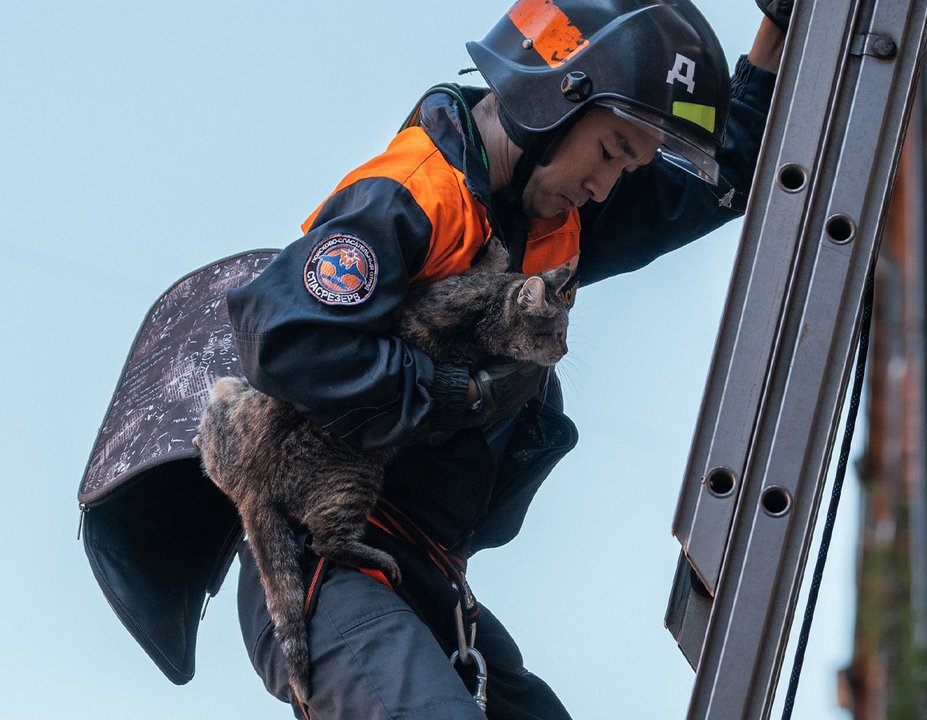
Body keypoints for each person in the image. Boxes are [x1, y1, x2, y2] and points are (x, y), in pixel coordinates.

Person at [226, 0, 786, 717]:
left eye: (630, 165)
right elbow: (286, 337)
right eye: (613, 151)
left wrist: (780, 25)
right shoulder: (414, 196)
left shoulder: (553, 212)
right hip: (328, 566)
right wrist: (453, 393)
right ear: (556, 96)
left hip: (427, 572)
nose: (607, 184)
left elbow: (724, 175)